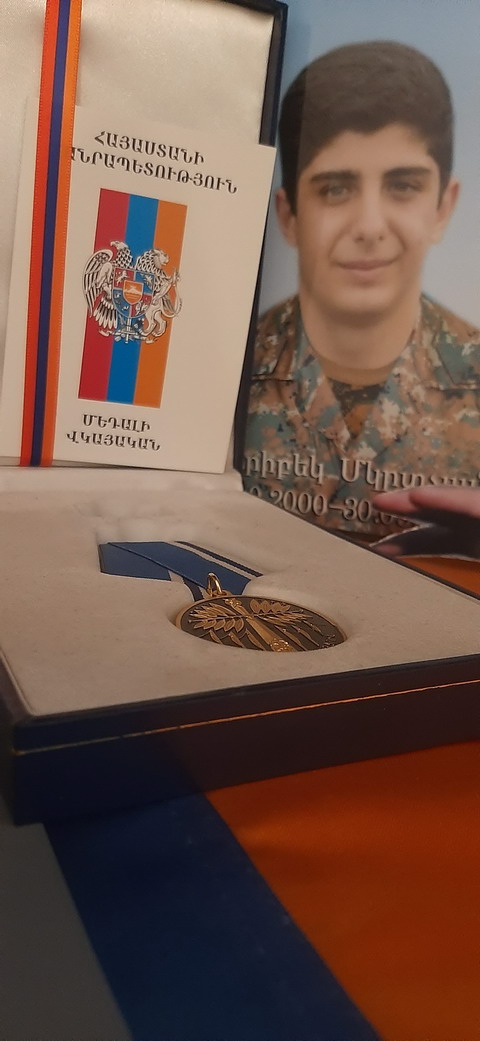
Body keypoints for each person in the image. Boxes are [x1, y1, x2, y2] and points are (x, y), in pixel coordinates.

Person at [242, 41, 480, 545]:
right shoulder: (224, 379)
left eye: (403, 186)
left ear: (443, 207)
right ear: (288, 215)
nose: (370, 226)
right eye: (335, 189)